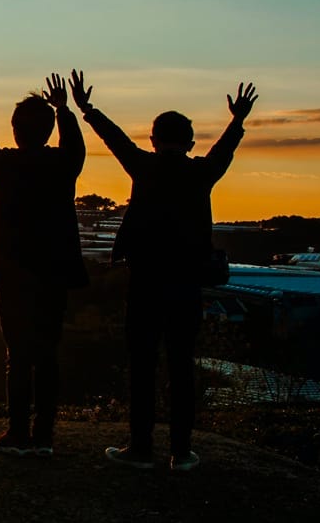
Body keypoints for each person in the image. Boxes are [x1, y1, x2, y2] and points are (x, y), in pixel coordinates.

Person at [74, 72, 258, 472]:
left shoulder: (144, 166)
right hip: (187, 283)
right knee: (181, 364)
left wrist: (88, 109)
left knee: (141, 364)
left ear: (153, 139)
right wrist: (237, 119)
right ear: (190, 142)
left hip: (144, 280)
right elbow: (224, 150)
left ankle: (140, 447)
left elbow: (116, 139)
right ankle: (181, 450)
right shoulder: (200, 173)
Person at [0, 72, 87, 458]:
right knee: (48, 354)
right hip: (53, 272)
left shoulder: (4, 165)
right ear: (49, 130)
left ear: (15, 129)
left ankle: (17, 433)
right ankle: (44, 435)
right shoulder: (62, 164)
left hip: (13, 274)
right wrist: (65, 110)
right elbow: (76, 148)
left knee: (17, 355)